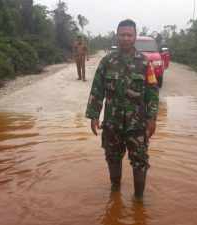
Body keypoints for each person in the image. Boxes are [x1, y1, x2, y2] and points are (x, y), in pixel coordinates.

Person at [85, 19, 159, 200]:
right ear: (117, 36)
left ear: (135, 37)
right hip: (112, 124)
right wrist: (94, 115)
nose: (125, 38)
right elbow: (97, 89)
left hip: (137, 125)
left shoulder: (144, 63)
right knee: (112, 156)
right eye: (122, 35)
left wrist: (152, 117)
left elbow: (152, 92)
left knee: (140, 161)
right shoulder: (107, 62)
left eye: (129, 35)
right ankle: (115, 191)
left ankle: (139, 199)